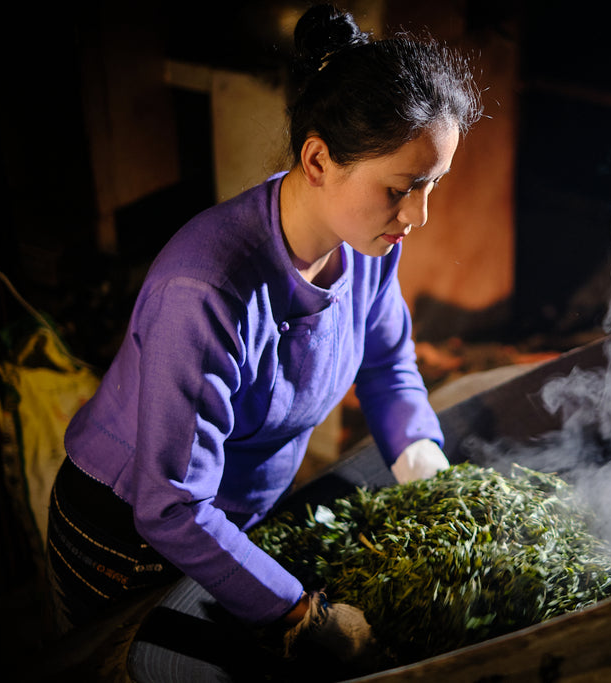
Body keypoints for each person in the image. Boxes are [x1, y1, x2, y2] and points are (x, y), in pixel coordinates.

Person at [44, 2, 482, 641]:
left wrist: (425, 472)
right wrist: (304, 613)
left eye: (431, 185)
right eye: (400, 188)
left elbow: (387, 362)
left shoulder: (366, 248)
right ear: (317, 162)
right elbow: (170, 504)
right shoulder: (206, 290)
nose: (418, 216)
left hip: (236, 522)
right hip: (127, 543)